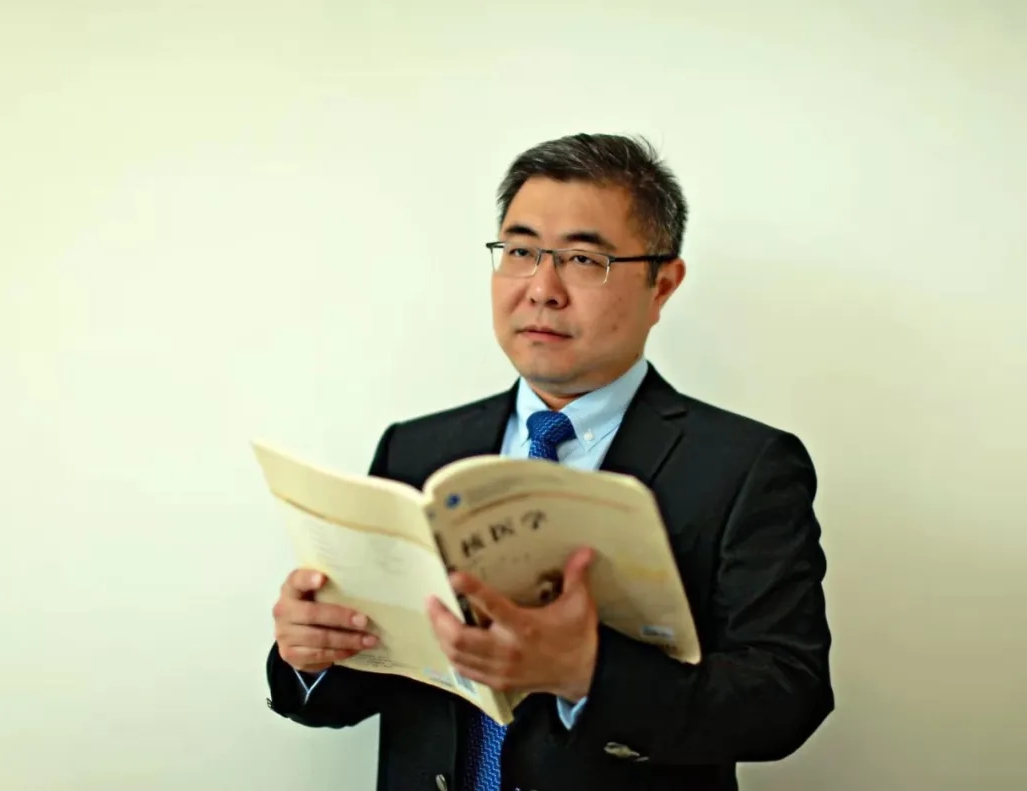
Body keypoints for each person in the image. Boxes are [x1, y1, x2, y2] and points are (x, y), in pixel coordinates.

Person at [265, 133, 834, 791]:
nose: (541, 288)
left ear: (662, 284)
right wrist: (312, 653)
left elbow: (787, 697)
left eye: (584, 259)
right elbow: (357, 691)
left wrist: (586, 672)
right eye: (520, 251)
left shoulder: (746, 466)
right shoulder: (416, 449)